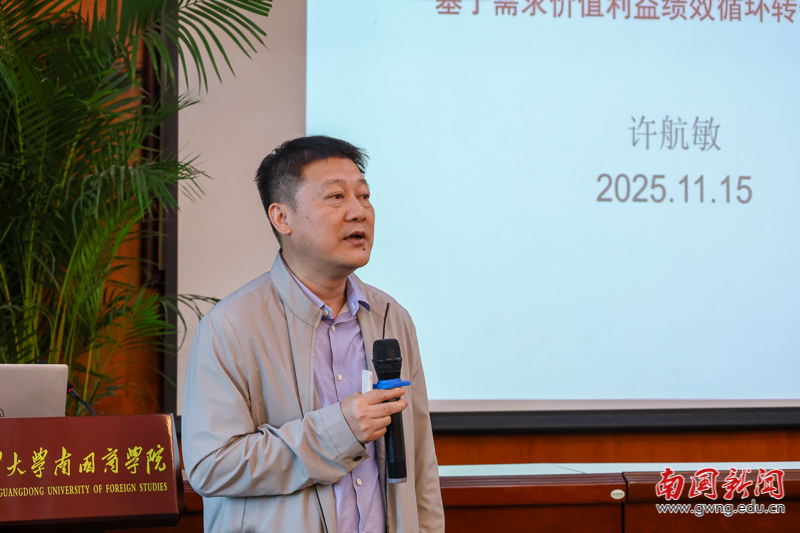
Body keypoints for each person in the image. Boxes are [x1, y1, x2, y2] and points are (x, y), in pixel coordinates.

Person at [181, 136, 444, 533]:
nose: (359, 211)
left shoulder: (392, 318)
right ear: (282, 218)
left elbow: (421, 464)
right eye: (336, 197)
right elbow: (211, 466)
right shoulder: (230, 326)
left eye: (365, 196)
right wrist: (340, 431)